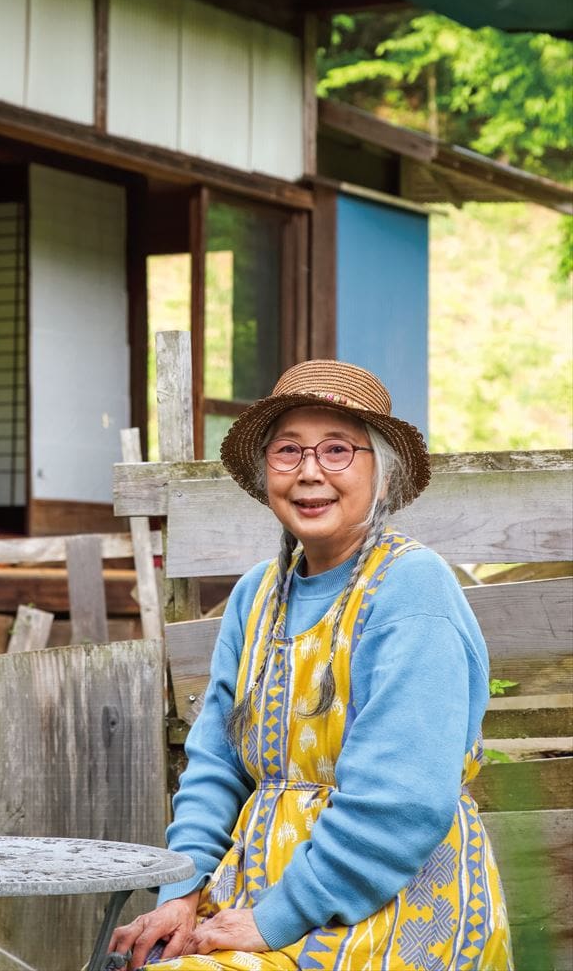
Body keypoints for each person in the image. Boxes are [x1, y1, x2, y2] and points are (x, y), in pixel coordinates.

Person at [109, 359, 512, 970]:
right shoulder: (257, 596)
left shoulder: (410, 590)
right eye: (288, 452)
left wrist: (277, 918)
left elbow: (400, 801)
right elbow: (218, 764)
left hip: (384, 910)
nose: (310, 473)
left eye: (337, 451)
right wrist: (182, 893)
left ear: (382, 471)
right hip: (260, 902)